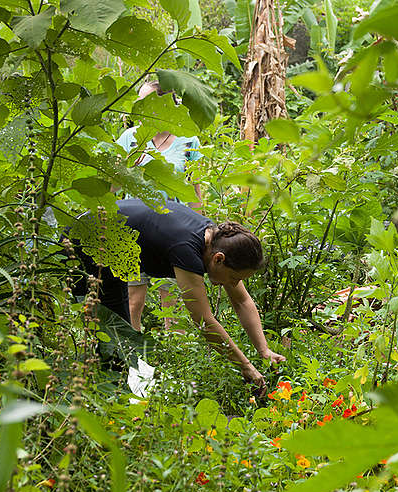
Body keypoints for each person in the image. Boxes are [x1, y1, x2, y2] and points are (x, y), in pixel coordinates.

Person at [78, 198, 285, 386]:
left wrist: (264, 350)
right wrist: (246, 366)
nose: (234, 284)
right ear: (218, 259)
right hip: (85, 244)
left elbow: (242, 302)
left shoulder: (216, 240)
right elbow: (203, 321)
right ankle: (108, 399)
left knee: (118, 335)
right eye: (234, 278)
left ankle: (111, 388)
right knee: (114, 337)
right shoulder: (186, 248)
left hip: (110, 248)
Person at [117, 79, 203, 332]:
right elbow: (112, 184)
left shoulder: (189, 141)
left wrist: (199, 234)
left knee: (173, 302)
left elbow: (194, 189)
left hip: (173, 230)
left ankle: (173, 360)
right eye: (138, 102)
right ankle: (131, 357)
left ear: (165, 104)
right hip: (132, 229)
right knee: (133, 300)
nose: (139, 108)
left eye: (147, 102)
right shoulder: (128, 139)